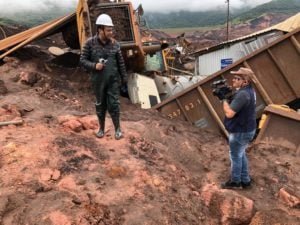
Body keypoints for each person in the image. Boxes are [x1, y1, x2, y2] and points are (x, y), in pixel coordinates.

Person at [80, 14, 127, 140]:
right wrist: (94, 66)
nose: (111, 32)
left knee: (114, 104)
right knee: (100, 105)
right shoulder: (89, 44)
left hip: (113, 80)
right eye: (108, 30)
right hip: (98, 81)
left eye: (112, 29)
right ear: (100, 30)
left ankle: (117, 129)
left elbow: (121, 63)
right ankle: (101, 129)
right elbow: (83, 60)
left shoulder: (115, 44)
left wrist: (124, 79)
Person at [217, 67, 257, 189]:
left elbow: (229, 113)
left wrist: (223, 99)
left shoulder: (243, 94)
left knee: (235, 156)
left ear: (245, 81)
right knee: (241, 153)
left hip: (240, 131)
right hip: (247, 129)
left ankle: (235, 182)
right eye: (234, 77)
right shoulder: (249, 91)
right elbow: (241, 106)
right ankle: (245, 180)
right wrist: (229, 98)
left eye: (237, 78)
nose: (233, 80)